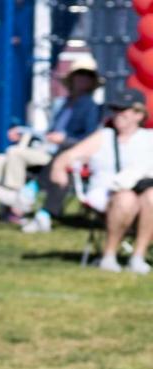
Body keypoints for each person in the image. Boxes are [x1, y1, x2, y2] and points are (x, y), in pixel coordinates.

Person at [0, 56, 103, 225]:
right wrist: (24, 132)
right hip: (44, 148)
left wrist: (63, 140)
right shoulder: (63, 104)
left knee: (15, 153)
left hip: (61, 155)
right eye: (79, 74)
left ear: (92, 81)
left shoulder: (91, 107)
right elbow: (47, 132)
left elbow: (89, 140)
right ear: (72, 78)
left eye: (87, 75)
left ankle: (13, 207)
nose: (82, 79)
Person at [48, 93, 153, 274]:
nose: (118, 114)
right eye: (115, 109)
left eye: (123, 110)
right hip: (105, 191)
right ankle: (109, 255)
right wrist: (58, 169)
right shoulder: (104, 136)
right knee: (126, 199)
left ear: (139, 114)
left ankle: (138, 256)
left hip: (142, 190)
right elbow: (68, 156)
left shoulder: (148, 138)